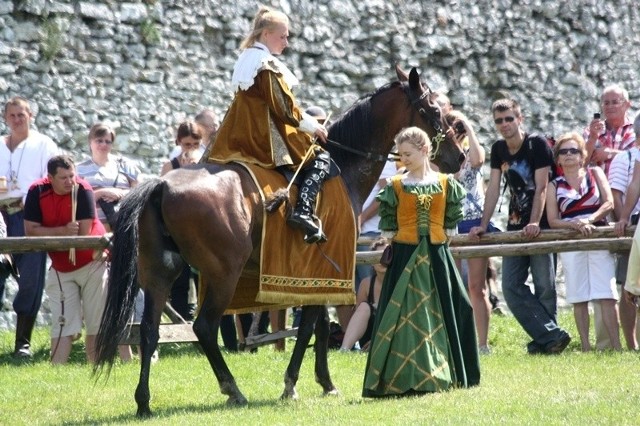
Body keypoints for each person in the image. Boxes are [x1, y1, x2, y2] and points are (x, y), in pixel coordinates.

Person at [362, 127, 480, 397]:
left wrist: (436, 247)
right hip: (405, 256)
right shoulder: (395, 186)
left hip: (438, 256)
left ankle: (443, 373)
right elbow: (388, 231)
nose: (403, 160)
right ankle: (401, 377)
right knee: (401, 316)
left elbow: (451, 230)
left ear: (425, 150)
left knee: (453, 308)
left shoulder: (446, 183)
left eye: (408, 154)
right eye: (401, 155)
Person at [206, 6, 329, 244]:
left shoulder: (246, 59)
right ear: (265, 34)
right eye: (282, 36)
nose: (286, 42)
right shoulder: (265, 65)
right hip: (262, 138)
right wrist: (315, 127)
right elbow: (286, 109)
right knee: (320, 159)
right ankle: (303, 211)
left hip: (238, 135)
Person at [469, 98, 571, 355]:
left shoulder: (536, 144)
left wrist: (536, 222)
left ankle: (548, 343)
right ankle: (551, 335)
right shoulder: (499, 149)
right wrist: (483, 224)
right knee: (511, 286)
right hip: (514, 226)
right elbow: (492, 189)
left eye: (509, 119)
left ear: (519, 118)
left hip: (542, 225)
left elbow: (542, 186)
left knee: (545, 285)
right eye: (499, 121)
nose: (504, 125)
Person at [23, 155, 109, 363]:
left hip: (92, 263)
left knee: (96, 323)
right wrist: (62, 230)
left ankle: (96, 369)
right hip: (61, 267)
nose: (71, 181)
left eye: (72, 175)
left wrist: (52, 234)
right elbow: (30, 231)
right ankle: (57, 372)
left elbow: (83, 235)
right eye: (64, 178)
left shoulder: (83, 189)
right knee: (62, 325)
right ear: (50, 178)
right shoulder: (37, 191)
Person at [546, 132, 620, 351]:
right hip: (571, 240)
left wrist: (589, 219)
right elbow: (553, 220)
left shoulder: (595, 173)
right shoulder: (554, 185)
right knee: (579, 296)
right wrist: (574, 224)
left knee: (606, 293)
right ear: (558, 158)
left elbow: (608, 203)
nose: (569, 155)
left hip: (597, 236)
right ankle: (586, 346)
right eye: (563, 151)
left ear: (582, 155)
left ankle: (616, 347)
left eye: (574, 151)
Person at [0, 96, 59, 358]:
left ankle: (22, 344)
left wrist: (34, 198)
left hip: (29, 215)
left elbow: (54, 178)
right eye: (11, 115)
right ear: (5, 118)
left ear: (30, 116)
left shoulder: (43, 144)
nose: (16, 119)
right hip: (1, 215)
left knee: (31, 279)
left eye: (21, 115)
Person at [446, 109, 493, 354]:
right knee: (454, 285)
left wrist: (469, 126)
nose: (457, 130)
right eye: (453, 126)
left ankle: (482, 343)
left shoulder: (472, 149)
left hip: (474, 219)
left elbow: (478, 160)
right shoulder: (443, 154)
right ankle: (458, 339)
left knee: (477, 286)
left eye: (459, 126)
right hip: (452, 220)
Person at [160, 120, 204, 321]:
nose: (191, 149)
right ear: (178, 143)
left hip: (203, 228)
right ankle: (181, 325)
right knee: (180, 280)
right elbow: (163, 198)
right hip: (178, 229)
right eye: (187, 145)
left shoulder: (207, 163)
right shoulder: (170, 166)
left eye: (195, 144)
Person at [608, 112, 640, 350]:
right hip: (636, 224)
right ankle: (631, 344)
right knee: (631, 285)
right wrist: (624, 217)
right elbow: (634, 185)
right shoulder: (631, 157)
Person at [76, 123, 140, 231]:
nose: (104, 144)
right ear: (90, 142)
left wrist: (121, 193)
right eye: (99, 140)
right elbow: (75, 200)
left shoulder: (124, 165)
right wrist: (102, 192)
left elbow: (140, 191)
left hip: (124, 228)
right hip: (92, 230)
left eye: (108, 141)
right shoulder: (79, 170)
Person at [339, 238, 387, 352]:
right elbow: (359, 315)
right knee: (364, 307)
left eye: (385, 255)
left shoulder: (399, 282)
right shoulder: (366, 284)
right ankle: (344, 349)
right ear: (371, 263)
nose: (382, 260)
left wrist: (378, 341)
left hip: (391, 335)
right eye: (377, 257)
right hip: (368, 335)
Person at [584, 84, 634, 175]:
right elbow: (580, 164)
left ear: (627, 105)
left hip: (630, 187)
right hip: (598, 187)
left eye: (615, 102)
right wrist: (592, 138)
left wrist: (611, 154)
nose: (610, 106)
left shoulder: (636, 130)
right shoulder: (591, 131)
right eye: (606, 103)